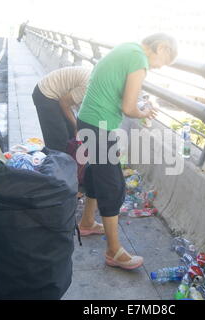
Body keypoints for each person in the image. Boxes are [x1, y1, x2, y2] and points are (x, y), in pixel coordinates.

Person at [77, 33, 178, 270]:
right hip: (100, 126)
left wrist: (138, 104)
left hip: (88, 121)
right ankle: (114, 252)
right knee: (112, 186)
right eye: (163, 61)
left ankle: (87, 222)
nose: (158, 67)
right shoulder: (139, 60)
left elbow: (121, 92)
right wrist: (143, 112)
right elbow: (128, 107)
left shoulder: (128, 48)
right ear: (161, 47)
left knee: (96, 172)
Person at [32, 66, 91, 152]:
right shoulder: (88, 87)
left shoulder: (95, 81)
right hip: (46, 93)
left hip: (54, 94)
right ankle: (55, 161)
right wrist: (76, 127)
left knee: (70, 134)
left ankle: (65, 160)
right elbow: (64, 103)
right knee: (59, 139)